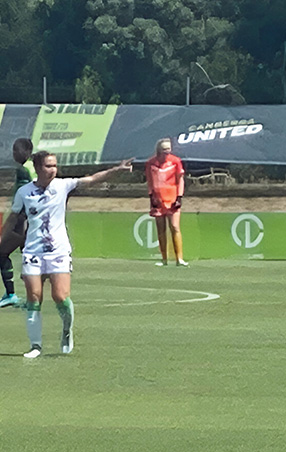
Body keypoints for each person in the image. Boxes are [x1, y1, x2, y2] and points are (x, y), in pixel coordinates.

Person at [1, 151, 133, 357]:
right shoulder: (24, 192)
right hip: (33, 250)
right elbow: (13, 218)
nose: (53, 170)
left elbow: (91, 180)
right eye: (48, 166)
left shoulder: (63, 185)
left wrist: (117, 170)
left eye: (54, 165)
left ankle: (66, 330)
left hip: (58, 251)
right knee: (34, 297)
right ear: (37, 168)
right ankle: (35, 346)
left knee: (60, 296)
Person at [0, 138, 37, 307]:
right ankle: (32, 298)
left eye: (17, 150)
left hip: (23, 221)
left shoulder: (24, 170)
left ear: (27, 152)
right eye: (14, 150)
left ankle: (11, 294)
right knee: (29, 258)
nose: (14, 154)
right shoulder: (33, 168)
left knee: (2, 252)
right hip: (32, 220)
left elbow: (26, 198)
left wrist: (20, 222)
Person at [146, 137, 187, 266]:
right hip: (158, 198)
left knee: (174, 227)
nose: (167, 153)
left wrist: (179, 196)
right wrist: (151, 196)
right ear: (159, 150)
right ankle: (164, 259)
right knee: (161, 229)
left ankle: (179, 259)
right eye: (164, 150)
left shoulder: (176, 161)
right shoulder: (150, 163)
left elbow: (180, 179)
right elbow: (150, 181)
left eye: (168, 150)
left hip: (173, 197)